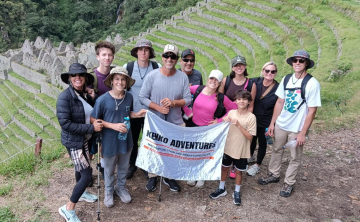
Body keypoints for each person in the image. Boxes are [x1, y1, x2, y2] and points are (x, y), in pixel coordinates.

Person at [258, 50, 321, 197]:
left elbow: (312, 111)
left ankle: (289, 182)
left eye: (301, 61)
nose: (297, 63)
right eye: (295, 60)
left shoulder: (312, 83)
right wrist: (273, 123)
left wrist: (303, 133)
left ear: (306, 64)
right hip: (282, 123)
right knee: (276, 150)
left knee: (295, 156)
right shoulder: (287, 79)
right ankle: (274, 174)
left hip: (297, 127)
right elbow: (280, 102)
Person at [139, 44, 192, 193]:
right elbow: (142, 97)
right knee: (154, 148)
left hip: (175, 121)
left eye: (173, 56)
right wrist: (158, 107)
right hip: (156, 121)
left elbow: (188, 99)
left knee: (173, 150)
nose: (169, 59)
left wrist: (174, 103)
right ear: (162, 58)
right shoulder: (152, 76)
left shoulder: (182, 77)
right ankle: (152, 175)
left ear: (176, 59)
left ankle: (169, 176)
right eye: (167, 56)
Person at [91, 67, 146, 208]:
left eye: (123, 79)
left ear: (126, 82)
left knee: (123, 167)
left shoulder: (129, 97)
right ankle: (108, 191)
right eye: (117, 79)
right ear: (112, 81)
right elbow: (94, 120)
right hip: (109, 141)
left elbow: (126, 114)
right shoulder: (102, 100)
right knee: (109, 169)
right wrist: (113, 126)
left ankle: (120, 188)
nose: (120, 82)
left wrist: (137, 114)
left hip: (125, 139)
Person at [56, 63, 103, 221]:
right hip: (74, 142)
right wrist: (91, 128)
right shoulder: (65, 97)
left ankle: (81, 193)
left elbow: (90, 111)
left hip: (84, 139)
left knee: (81, 167)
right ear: (69, 78)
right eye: (74, 75)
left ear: (85, 78)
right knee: (87, 174)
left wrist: (91, 97)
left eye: (81, 75)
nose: (78, 78)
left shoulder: (82, 94)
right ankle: (68, 208)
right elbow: (66, 124)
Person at [183, 70, 237, 188]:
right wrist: (188, 111)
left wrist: (218, 121)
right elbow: (182, 95)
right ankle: (192, 174)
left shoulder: (221, 97)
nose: (213, 81)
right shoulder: (197, 89)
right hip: (193, 125)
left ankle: (201, 175)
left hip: (208, 129)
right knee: (192, 151)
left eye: (216, 80)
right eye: (212, 78)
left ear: (219, 83)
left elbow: (233, 108)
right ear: (208, 79)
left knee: (203, 153)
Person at [209, 90, 256, 206]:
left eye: (244, 99)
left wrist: (239, 125)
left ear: (249, 102)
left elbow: (250, 136)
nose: (241, 101)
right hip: (228, 147)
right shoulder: (231, 113)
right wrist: (224, 120)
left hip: (241, 149)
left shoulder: (251, 117)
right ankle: (221, 189)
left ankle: (237, 191)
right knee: (224, 168)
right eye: (239, 99)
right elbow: (223, 126)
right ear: (235, 101)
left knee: (239, 172)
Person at [123, 39, 162, 180]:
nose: (143, 52)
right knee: (132, 139)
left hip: (151, 112)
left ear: (150, 52)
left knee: (149, 140)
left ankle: (147, 165)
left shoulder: (157, 67)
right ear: (136, 52)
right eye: (140, 49)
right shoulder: (128, 67)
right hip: (133, 111)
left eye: (146, 49)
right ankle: (131, 164)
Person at [219, 55, 256, 179]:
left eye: (241, 65)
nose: (239, 67)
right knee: (228, 142)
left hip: (242, 117)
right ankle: (226, 163)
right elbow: (220, 98)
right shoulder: (226, 81)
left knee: (239, 141)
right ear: (233, 67)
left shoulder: (251, 84)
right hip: (228, 116)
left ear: (245, 66)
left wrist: (248, 119)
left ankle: (235, 165)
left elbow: (251, 105)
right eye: (236, 65)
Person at [88, 41, 116, 178]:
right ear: (97, 57)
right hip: (94, 118)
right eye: (104, 55)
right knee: (91, 148)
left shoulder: (116, 76)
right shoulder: (91, 78)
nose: (107, 58)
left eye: (110, 55)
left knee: (106, 147)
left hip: (111, 118)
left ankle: (104, 168)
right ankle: (87, 174)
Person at [246, 62, 279, 176]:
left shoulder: (278, 88)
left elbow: (278, 106)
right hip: (253, 116)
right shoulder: (254, 81)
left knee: (262, 142)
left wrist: (272, 124)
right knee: (251, 139)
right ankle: (250, 156)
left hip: (267, 119)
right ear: (263, 71)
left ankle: (258, 165)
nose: (269, 73)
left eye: (272, 71)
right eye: (267, 71)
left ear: (276, 73)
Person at [179, 48, 203, 126]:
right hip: (179, 115)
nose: (189, 63)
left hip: (195, 115)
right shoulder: (175, 75)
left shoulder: (198, 75)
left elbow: (200, 94)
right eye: (186, 60)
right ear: (181, 61)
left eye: (192, 60)